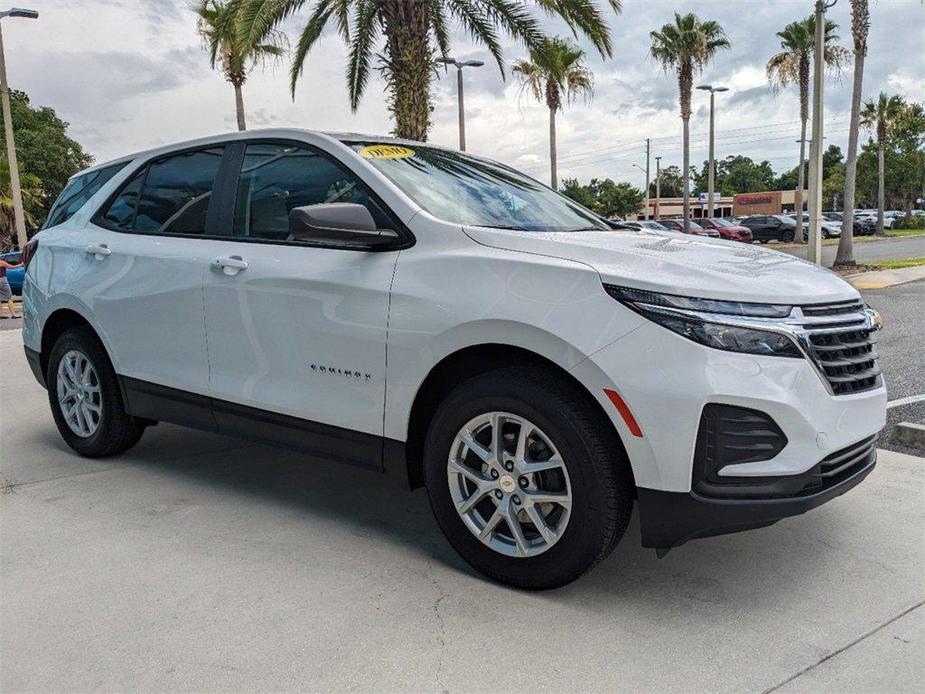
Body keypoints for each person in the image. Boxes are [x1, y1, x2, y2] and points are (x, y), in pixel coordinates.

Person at [0, 255, 22, 319]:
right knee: (9, 297)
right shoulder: (1, 262)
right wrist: (20, 265)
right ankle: (13, 314)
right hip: (2, 280)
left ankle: (1, 315)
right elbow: (11, 267)